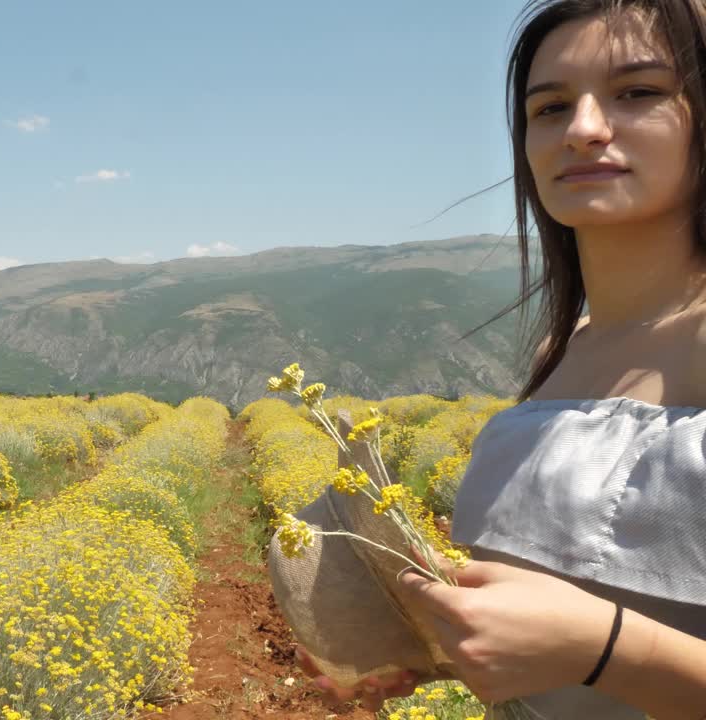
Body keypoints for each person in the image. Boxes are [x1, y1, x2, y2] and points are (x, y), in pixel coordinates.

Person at [294, 0, 706, 717]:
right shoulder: (561, 353)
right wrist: (447, 651)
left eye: (637, 92)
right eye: (548, 107)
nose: (582, 129)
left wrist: (605, 647)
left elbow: (605, 641)